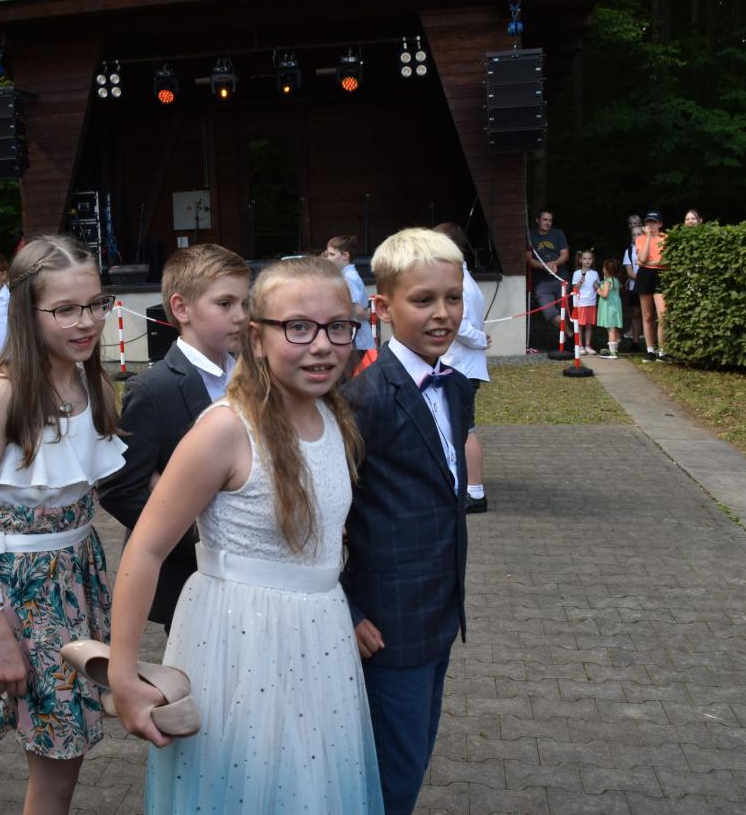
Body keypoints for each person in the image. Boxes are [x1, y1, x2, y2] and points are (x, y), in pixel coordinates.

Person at [109, 255, 382, 813]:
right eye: (298, 327)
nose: (322, 345)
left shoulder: (335, 419)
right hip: (240, 644)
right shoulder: (226, 429)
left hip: (320, 640)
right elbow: (148, 547)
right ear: (257, 338)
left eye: (338, 327)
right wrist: (123, 676)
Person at [0, 235, 125, 814]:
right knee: (57, 763)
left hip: (78, 580)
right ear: (27, 310)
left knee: (67, 756)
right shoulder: (3, 393)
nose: (86, 321)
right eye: (65, 309)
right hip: (23, 597)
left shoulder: (91, 381)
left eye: (95, 304)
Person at [342, 227, 473, 815]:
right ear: (382, 307)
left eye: (453, 297)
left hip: (437, 612)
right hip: (387, 623)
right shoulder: (363, 399)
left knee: (415, 756)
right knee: (392, 775)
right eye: (423, 300)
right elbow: (319, 514)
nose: (442, 314)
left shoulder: (457, 386)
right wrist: (348, 610)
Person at [99, 244, 250, 632]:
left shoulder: (253, 377)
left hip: (255, 577)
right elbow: (120, 488)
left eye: (245, 303)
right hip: (191, 577)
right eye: (225, 304)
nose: (240, 315)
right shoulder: (153, 390)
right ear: (182, 309)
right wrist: (195, 537)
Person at [437, 223, 490, 514]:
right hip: (460, 365)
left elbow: (459, 326)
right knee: (458, 429)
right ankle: (464, 485)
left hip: (460, 367)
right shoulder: (464, 281)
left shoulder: (461, 284)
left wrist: (481, 339)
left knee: (465, 430)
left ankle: (475, 493)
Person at [322, 235, 375, 369]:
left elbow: (357, 312)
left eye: (332, 255)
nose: (328, 258)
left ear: (346, 255)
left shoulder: (348, 278)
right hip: (358, 338)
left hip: (357, 340)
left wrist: (370, 313)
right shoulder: (349, 275)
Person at [634, 210, 669, 362]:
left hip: (661, 275)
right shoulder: (641, 239)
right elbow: (641, 259)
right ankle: (650, 350)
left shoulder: (666, 238)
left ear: (660, 224)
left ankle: (663, 351)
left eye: (653, 222)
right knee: (647, 315)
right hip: (645, 276)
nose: (650, 225)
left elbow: (666, 261)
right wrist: (648, 237)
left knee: (662, 315)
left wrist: (648, 262)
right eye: (648, 222)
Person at [527, 209, 569, 327]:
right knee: (549, 312)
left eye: (550, 220)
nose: (548, 223)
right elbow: (528, 259)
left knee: (564, 313)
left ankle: (565, 337)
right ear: (537, 220)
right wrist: (544, 267)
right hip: (541, 281)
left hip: (561, 278)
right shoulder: (530, 236)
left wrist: (555, 263)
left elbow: (565, 254)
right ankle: (570, 335)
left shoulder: (558, 234)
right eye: (545, 220)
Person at [621, 215, 644, 351]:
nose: (636, 237)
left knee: (649, 314)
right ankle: (635, 342)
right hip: (634, 287)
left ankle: (653, 342)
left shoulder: (648, 248)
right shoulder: (629, 251)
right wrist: (642, 279)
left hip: (648, 286)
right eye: (634, 235)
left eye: (639, 234)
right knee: (635, 313)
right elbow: (629, 272)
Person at [571, 249, 600, 355]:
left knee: (589, 325)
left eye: (589, 259)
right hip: (581, 303)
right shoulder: (577, 273)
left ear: (592, 260)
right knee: (580, 325)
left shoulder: (595, 273)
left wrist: (597, 286)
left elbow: (597, 286)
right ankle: (579, 345)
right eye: (585, 259)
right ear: (580, 260)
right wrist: (579, 283)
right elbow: (574, 289)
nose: (587, 261)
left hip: (591, 303)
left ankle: (587, 345)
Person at [595, 258, 625, 359]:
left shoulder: (608, 281)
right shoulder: (615, 280)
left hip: (609, 308)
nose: (603, 269)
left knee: (611, 329)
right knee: (614, 328)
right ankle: (615, 348)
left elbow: (604, 294)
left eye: (604, 268)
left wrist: (597, 289)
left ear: (608, 270)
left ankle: (612, 352)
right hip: (615, 307)